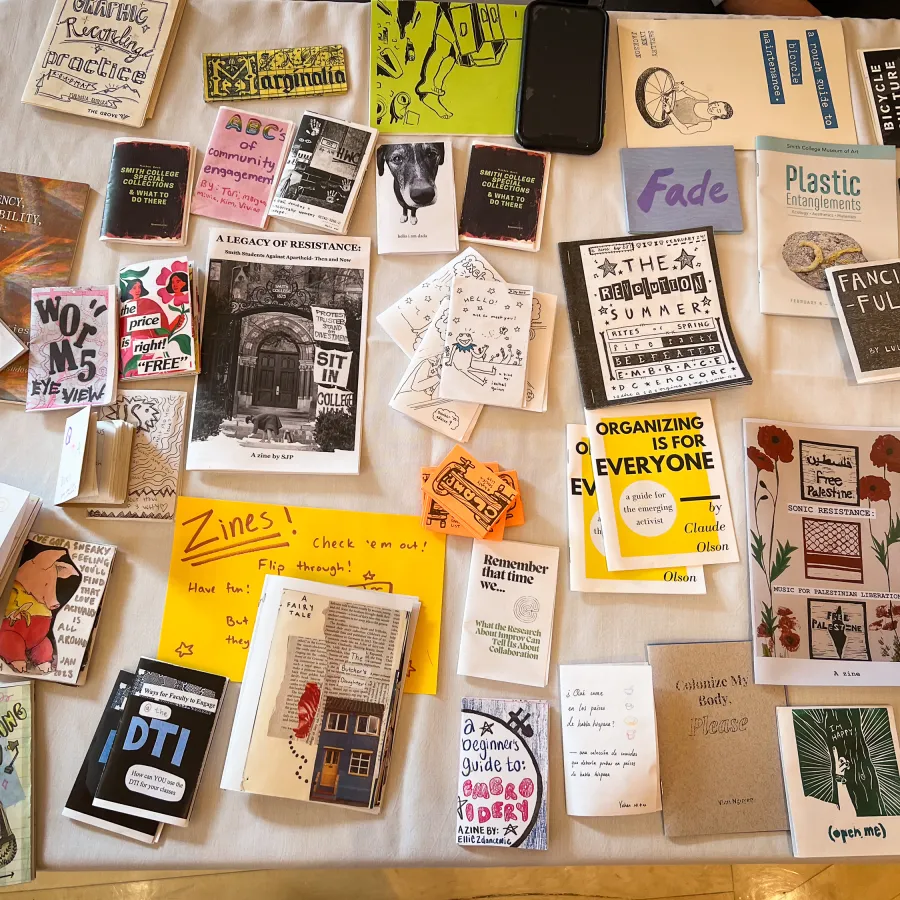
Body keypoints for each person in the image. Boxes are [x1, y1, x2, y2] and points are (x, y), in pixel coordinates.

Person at [666, 82, 733, 135]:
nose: (714, 107)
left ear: (720, 116)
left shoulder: (706, 124)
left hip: (664, 118)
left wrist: (669, 112)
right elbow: (687, 90)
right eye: (716, 104)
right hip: (664, 102)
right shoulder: (704, 99)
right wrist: (682, 87)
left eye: (718, 110)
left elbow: (685, 130)